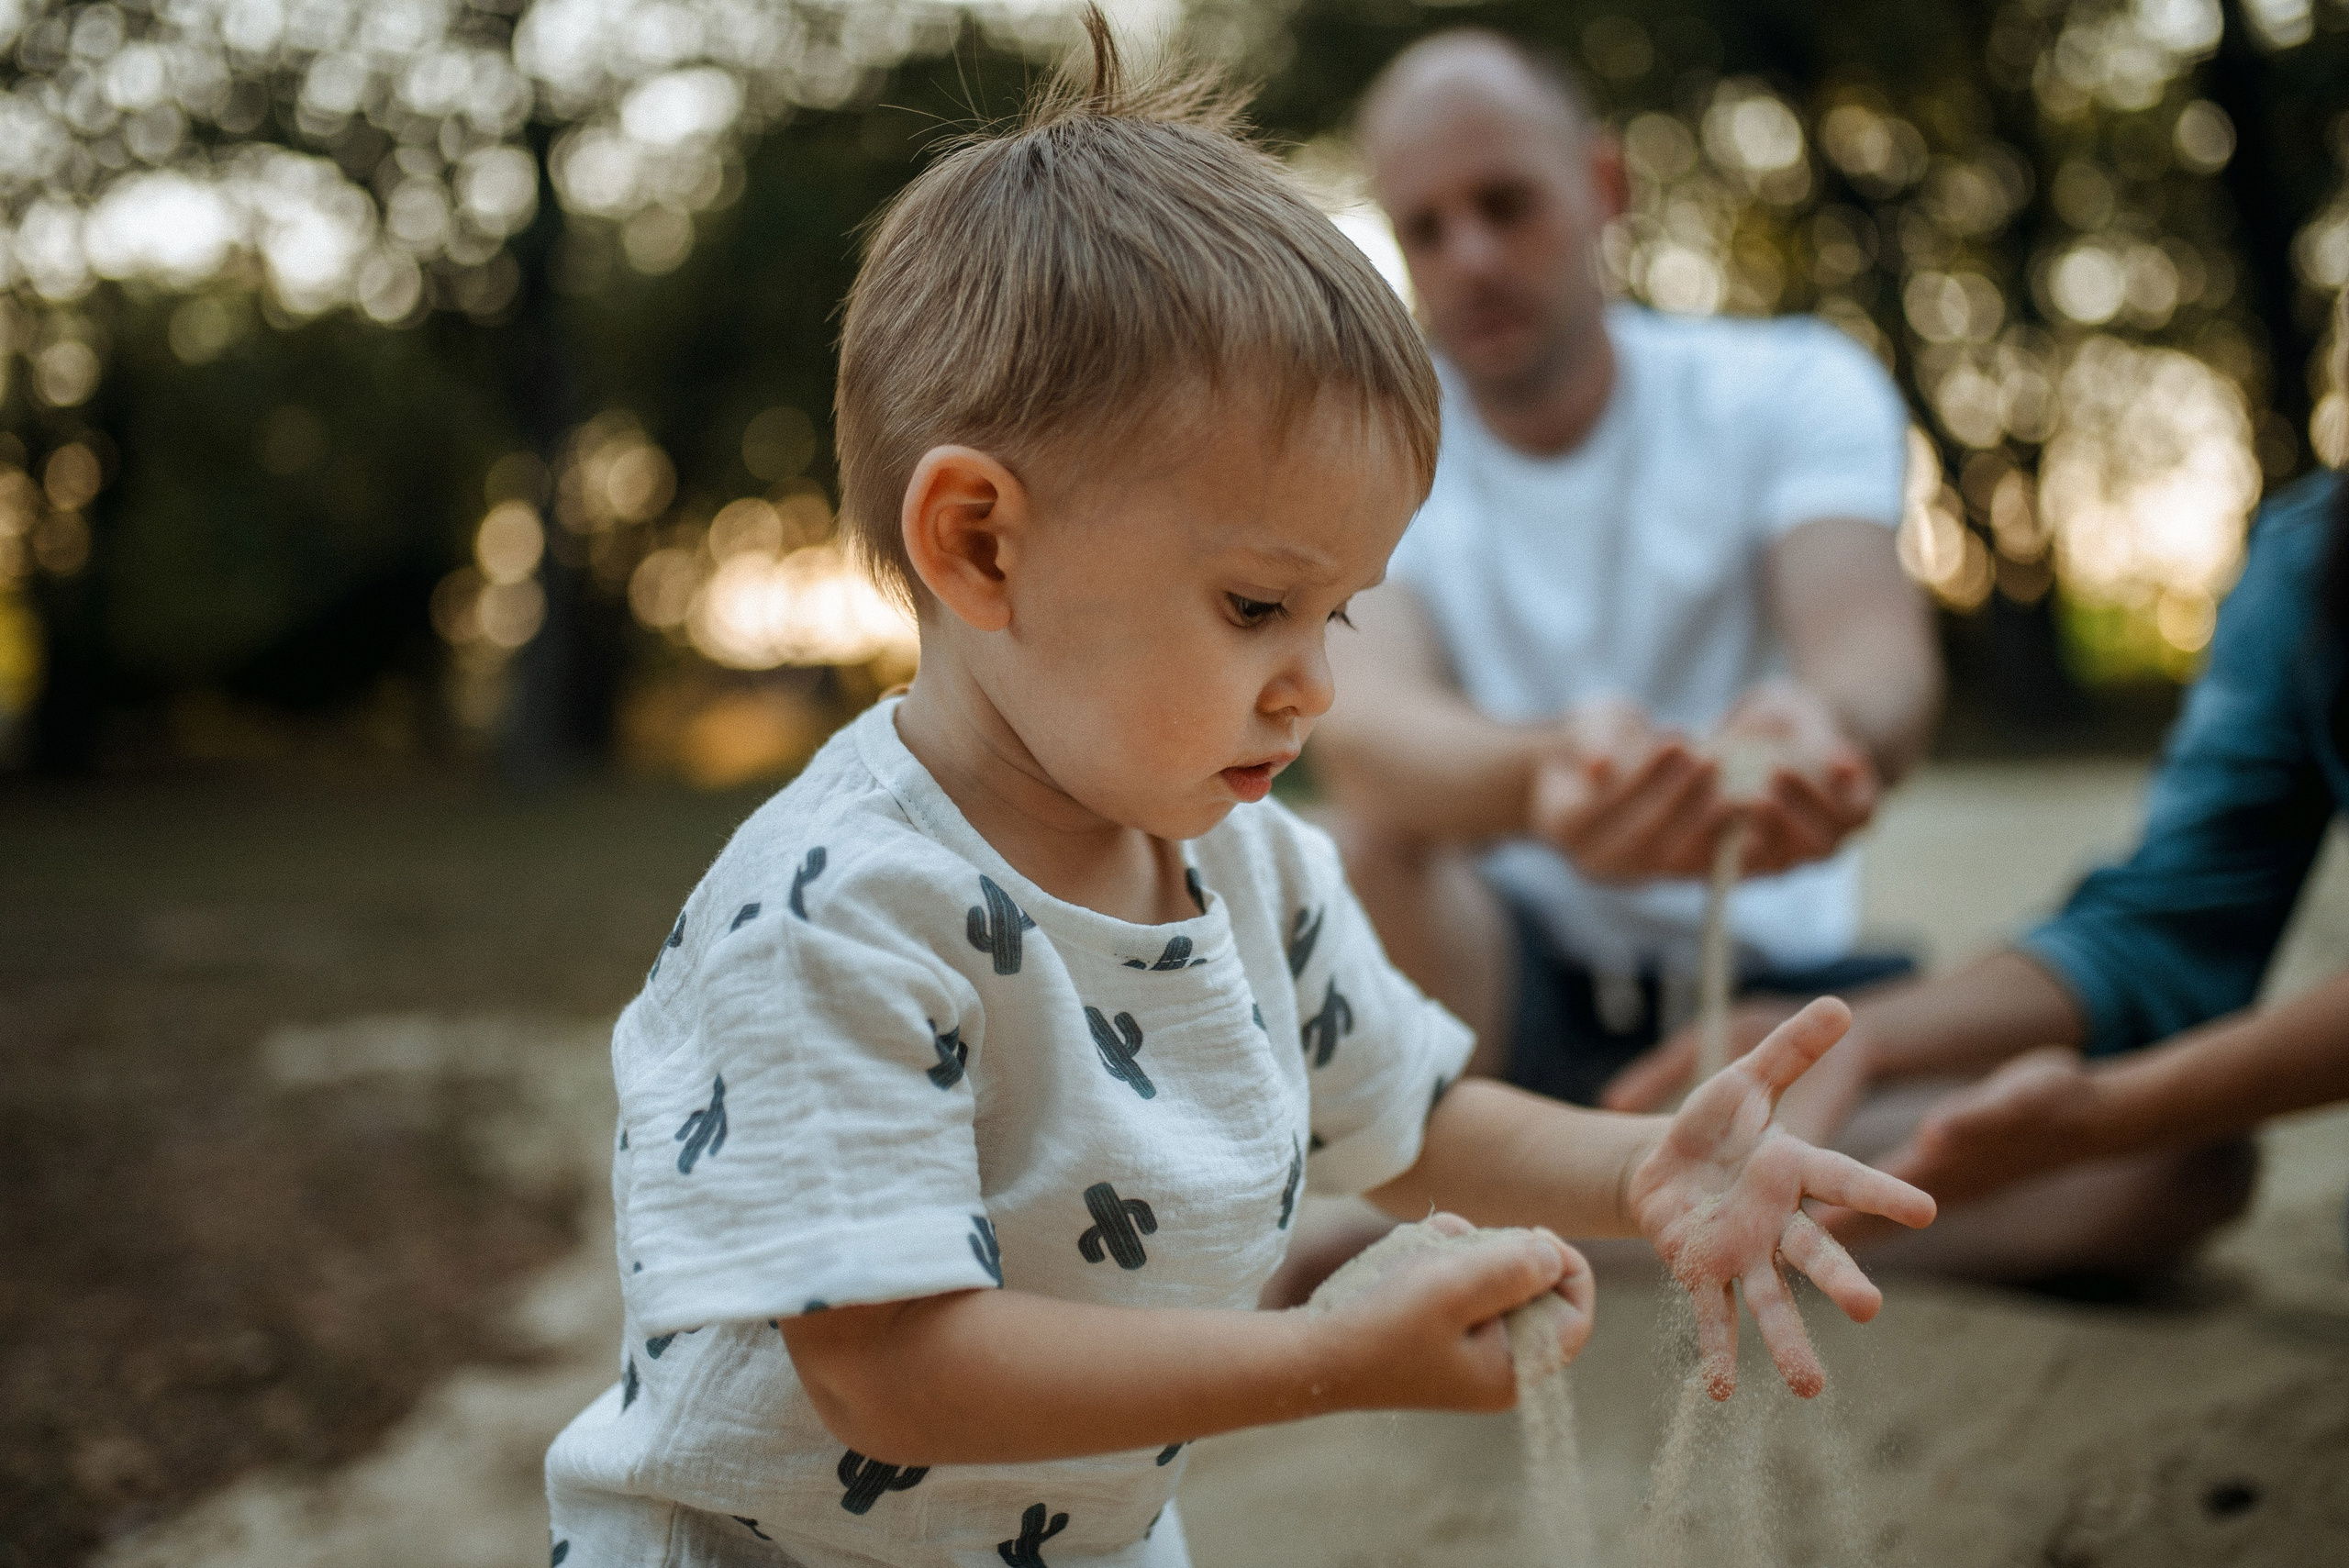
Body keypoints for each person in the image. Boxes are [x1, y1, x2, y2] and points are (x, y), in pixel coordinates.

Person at [540, 17, 1933, 1568]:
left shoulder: (1246, 862)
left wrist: (1647, 1165)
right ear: (984, 545)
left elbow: (1413, 1112)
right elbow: (887, 1364)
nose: (1316, 684)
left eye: (1339, 612)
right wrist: (1329, 1353)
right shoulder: (838, 911)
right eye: (1259, 607)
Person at [1309, 30, 1943, 1106]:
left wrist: (1822, 728)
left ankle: (1564, 1202)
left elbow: (1876, 657)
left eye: (1505, 203)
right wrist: (1543, 776)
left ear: (1603, 184)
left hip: (1771, 984)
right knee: (1372, 843)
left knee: (2160, 1176)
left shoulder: (1792, 386)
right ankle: (1615, 1177)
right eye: (1425, 228)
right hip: (1508, 983)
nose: (1469, 256)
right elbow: (1362, 729)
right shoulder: (1365, 450)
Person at [1608, 454, 2348, 1280]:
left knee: (2172, 1158)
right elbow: (2167, 924)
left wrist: (2112, 1109)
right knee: (2175, 1164)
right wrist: (1868, 1035)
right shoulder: (2307, 558)